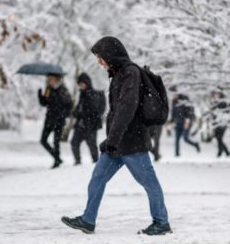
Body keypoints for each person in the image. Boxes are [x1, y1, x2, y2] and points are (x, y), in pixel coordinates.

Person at [61, 36, 171, 236]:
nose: (99, 62)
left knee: (149, 182)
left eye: (100, 57)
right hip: (117, 142)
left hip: (133, 142)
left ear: (111, 54)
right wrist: (112, 140)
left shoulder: (131, 73)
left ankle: (161, 222)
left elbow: (126, 109)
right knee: (97, 178)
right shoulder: (118, 74)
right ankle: (88, 220)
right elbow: (117, 111)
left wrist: (112, 139)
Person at [39, 73, 73, 168]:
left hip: (59, 121)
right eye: (48, 78)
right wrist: (40, 96)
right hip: (49, 119)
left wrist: (63, 115)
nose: (49, 80)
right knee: (43, 140)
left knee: (56, 141)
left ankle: (56, 161)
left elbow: (69, 105)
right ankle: (57, 157)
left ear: (57, 79)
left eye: (51, 78)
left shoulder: (63, 90)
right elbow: (44, 103)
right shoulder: (48, 89)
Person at [71, 73, 106, 165]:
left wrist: (83, 113)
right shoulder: (81, 95)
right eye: (79, 84)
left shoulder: (94, 95)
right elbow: (80, 108)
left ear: (87, 83)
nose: (81, 86)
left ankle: (96, 162)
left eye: (82, 84)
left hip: (91, 125)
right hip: (80, 125)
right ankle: (77, 161)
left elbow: (96, 110)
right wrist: (75, 113)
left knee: (92, 145)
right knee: (74, 143)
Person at [170, 89, 200, 156]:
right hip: (178, 122)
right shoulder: (174, 101)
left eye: (174, 94)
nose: (173, 96)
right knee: (177, 139)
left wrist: (187, 121)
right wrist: (171, 121)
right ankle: (177, 154)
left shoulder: (185, 100)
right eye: (172, 95)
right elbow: (173, 112)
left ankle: (196, 144)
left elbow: (190, 112)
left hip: (186, 123)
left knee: (185, 138)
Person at [211, 91, 230, 158]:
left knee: (219, 138)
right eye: (215, 94)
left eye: (218, 94)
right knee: (218, 137)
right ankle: (225, 151)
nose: (216, 95)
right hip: (216, 123)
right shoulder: (215, 102)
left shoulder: (223, 103)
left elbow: (226, 112)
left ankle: (222, 152)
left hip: (222, 123)